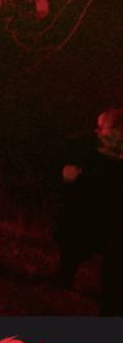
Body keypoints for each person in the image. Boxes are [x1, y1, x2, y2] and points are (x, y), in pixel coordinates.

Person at [54, 108, 123, 315]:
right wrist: (68, 174)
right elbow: (65, 161)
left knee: (114, 258)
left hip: (114, 213)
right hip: (87, 207)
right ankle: (64, 276)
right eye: (109, 130)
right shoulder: (85, 144)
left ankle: (111, 303)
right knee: (73, 243)